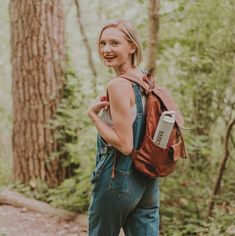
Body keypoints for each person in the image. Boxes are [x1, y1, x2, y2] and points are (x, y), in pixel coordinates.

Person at [87, 19, 160, 236]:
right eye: (103, 43)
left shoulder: (118, 84)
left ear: (132, 47)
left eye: (114, 43)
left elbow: (125, 145)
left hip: (118, 177)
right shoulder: (145, 80)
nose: (106, 49)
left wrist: (94, 116)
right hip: (147, 177)